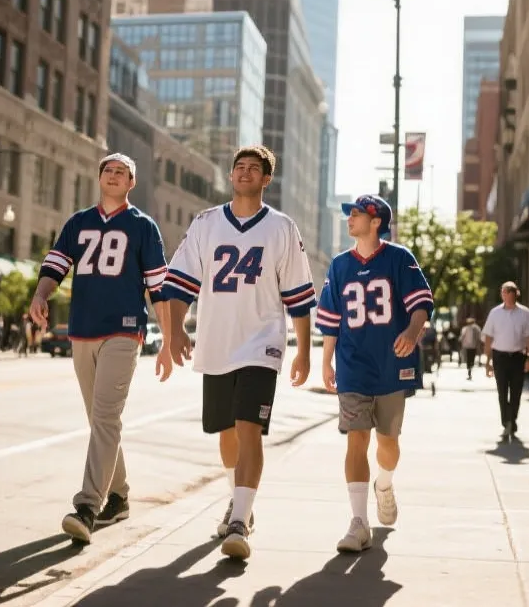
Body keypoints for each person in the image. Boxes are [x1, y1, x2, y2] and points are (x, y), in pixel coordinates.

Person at [162, 145, 316, 561]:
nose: (245, 172)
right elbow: (178, 283)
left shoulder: (282, 227)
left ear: (267, 179)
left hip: (262, 344)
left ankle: (239, 521)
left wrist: (303, 351)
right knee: (226, 433)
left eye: (254, 168)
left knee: (249, 427)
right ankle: (239, 499)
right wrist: (173, 330)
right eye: (239, 167)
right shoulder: (206, 223)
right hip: (216, 343)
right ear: (231, 176)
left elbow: (299, 296)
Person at [30, 152, 174, 543]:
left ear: (132, 183)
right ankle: (119, 496)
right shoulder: (78, 222)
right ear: (99, 179)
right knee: (101, 422)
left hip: (123, 331)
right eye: (107, 170)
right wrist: (40, 296)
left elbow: (158, 287)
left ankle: (87, 506)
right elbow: (55, 266)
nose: (113, 175)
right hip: (82, 330)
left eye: (121, 172)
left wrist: (168, 338)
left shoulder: (143, 226)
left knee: (106, 418)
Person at [314, 194, 434, 553]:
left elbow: (421, 304)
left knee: (388, 443)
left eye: (356, 214)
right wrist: (326, 361)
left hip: (391, 366)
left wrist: (412, 333)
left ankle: (385, 484)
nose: (349, 219)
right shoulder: (339, 265)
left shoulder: (399, 258)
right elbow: (331, 320)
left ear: (376, 220)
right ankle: (358, 522)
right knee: (356, 439)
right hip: (353, 367)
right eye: (348, 214)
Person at [482, 281, 529, 439]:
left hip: (518, 357)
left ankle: (511, 420)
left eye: (510, 291)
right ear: (502, 294)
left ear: (515, 294)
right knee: (502, 391)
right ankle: (506, 422)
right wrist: (488, 361)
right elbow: (488, 337)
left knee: (516, 392)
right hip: (500, 357)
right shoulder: (495, 313)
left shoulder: (525, 313)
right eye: (504, 291)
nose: (507, 294)